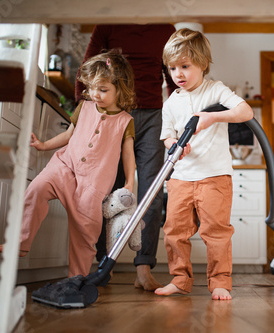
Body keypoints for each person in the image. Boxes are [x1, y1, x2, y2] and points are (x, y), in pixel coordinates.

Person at [0, 49, 136, 278]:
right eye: (91, 88)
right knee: (36, 189)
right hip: (64, 165)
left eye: (103, 90)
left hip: (93, 184)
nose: (95, 94)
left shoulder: (125, 121)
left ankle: (76, 280)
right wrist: (44, 144)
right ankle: (19, 243)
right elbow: (69, 135)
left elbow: (128, 154)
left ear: (121, 89)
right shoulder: (84, 107)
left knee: (86, 231)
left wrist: (129, 182)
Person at [75, 24, 178, 291]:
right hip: (113, 113)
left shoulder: (165, 29)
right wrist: (84, 112)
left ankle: (143, 268)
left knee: (151, 191)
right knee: (105, 188)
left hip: (154, 116)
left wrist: (175, 116)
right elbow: (88, 65)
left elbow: (171, 77)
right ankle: (102, 265)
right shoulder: (108, 24)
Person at [155, 28, 254, 300]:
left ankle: (220, 282)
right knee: (174, 231)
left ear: (202, 62)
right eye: (172, 68)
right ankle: (179, 279)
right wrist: (175, 146)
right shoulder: (170, 102)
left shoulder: (215, 90)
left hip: (215, 177)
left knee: (216, 232)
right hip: (181, 178)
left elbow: (246, 112)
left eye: (185, 66)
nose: (178, 74)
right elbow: (167, 136)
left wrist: (213, 118)